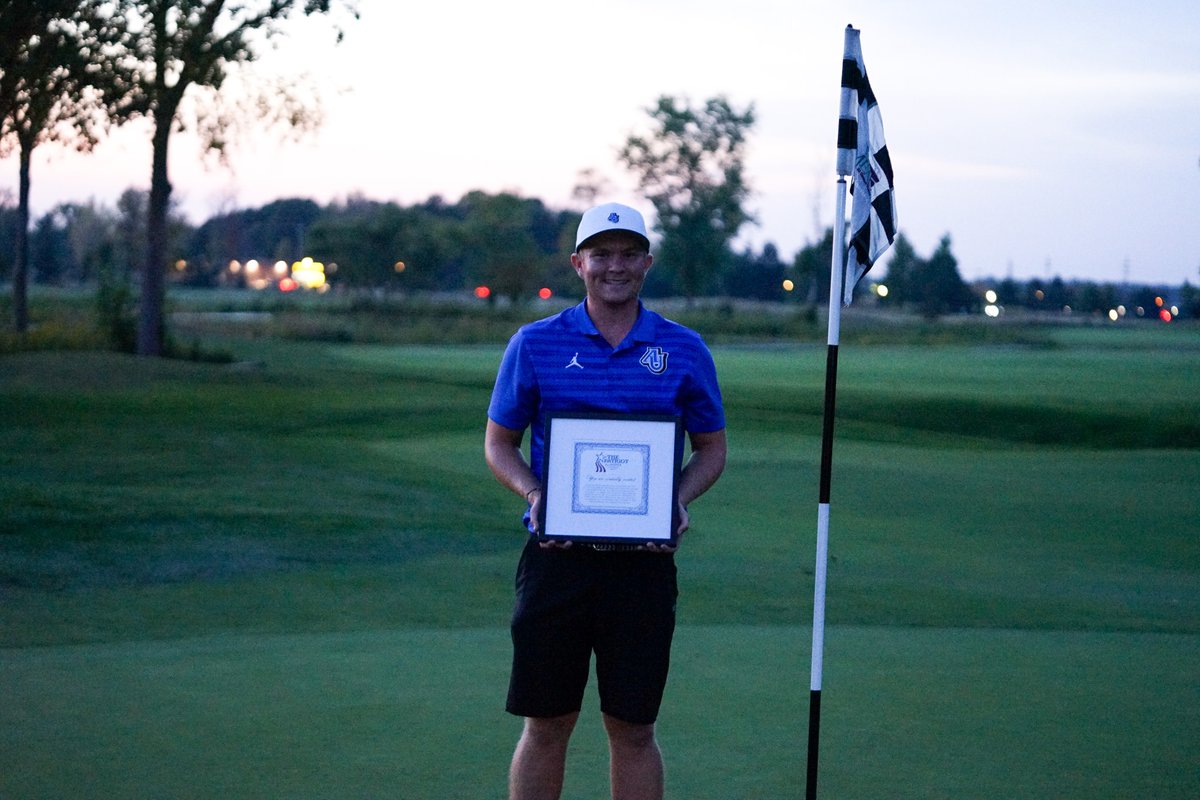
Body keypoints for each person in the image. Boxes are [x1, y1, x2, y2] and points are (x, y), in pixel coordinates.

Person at [485, 202, 727, 800]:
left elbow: (712, 450)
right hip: (556, 561)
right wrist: (536, 492)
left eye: (627, 254)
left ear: (647, 262)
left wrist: (676, 498)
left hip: (642, 566)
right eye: (601, 254)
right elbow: (499, 444)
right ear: (578, 263)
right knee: (546, 725)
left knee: (634, 728)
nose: (614, 266)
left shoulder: (683, 348)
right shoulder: (535, 343)